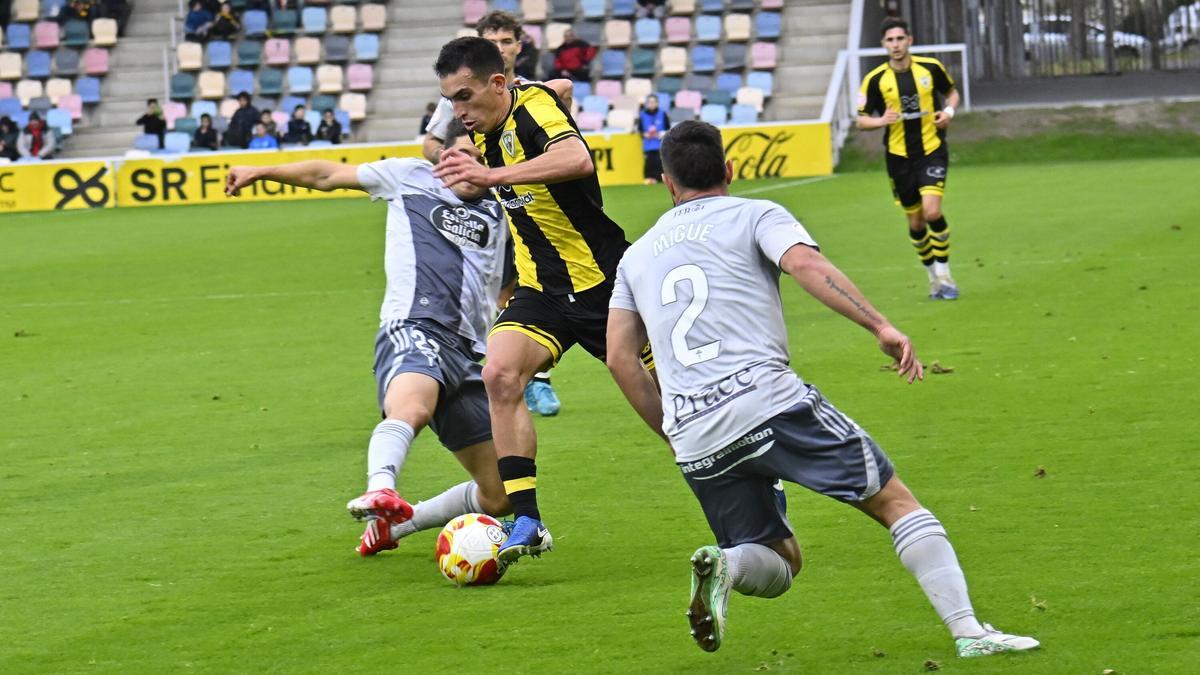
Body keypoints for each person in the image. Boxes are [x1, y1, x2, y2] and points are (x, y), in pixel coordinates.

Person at [605, 121, 1040, 659]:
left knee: (779, 560)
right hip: (766, 403)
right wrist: (880, 326)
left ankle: (728, 565)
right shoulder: (756, 213)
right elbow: (804, 263)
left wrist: (672, 431)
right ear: (729, 170)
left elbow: (620, 359)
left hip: (695, 433)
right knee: (895, 503)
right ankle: (970, 632)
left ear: (667, 184)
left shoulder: (635, 256)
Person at [224, 120, 513, 555]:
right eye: (460, 155)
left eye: (479, 158)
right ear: (442, 156)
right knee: (413, 406)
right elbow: (326, 175)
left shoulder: (502, 210)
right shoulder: (410, 177)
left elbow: (508, 285)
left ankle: (393, 527)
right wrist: (262, 170)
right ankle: (380, 488)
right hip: (414, 325)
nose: (469, 165)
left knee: (500, 493)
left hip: (469, 349)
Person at [434, 37, 637, 568]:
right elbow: (563, 85)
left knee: (670, 413)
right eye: (451, 101)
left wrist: (491, 175)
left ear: (498, 83)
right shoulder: (493, 125)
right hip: (540, 290)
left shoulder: (534, 112)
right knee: (499, 375)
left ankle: (749, 480)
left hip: (606, 286)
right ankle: (526, 519)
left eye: (465, 97)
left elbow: (575, 159)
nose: (459, 112)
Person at [423, 11, 573, 417]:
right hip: (489, 202)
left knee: (535, 282)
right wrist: (459, 163)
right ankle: (496, 369)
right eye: (493, 41)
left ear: (518, 46)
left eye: (507, 41)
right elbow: (432, 141)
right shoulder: (458, 96)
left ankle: (534, 379)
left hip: (532, 200)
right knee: (501, 287)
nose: (501, 48)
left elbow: (564, 89)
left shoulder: (532, 92)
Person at [857, 17, 962, 300]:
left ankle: (945, 274)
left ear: (909, 41)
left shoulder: (930, 68)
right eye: (890, 40)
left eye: (900, 39)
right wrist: (881, 121)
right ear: (883, 45)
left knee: (932, 212)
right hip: (899, 158)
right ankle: (933, 279)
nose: (896, 45)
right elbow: (860, 120)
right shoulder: (875, 79)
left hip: (931, 150)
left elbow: (951, 93)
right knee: (916, 223)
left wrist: (948, 113)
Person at [637, 94, 670, 185]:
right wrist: (645, 134)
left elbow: (668, 129)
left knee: (660, 163)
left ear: (657, 103)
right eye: (650, 102)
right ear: (647, 103)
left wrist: (663, 133)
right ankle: (649, 179)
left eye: (653, 102)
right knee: (649, 163)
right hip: (648, 145)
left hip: (661, 144)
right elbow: (640, 130)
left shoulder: (662, 114)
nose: (652, 104)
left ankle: (661, 180)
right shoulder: (643, 115)